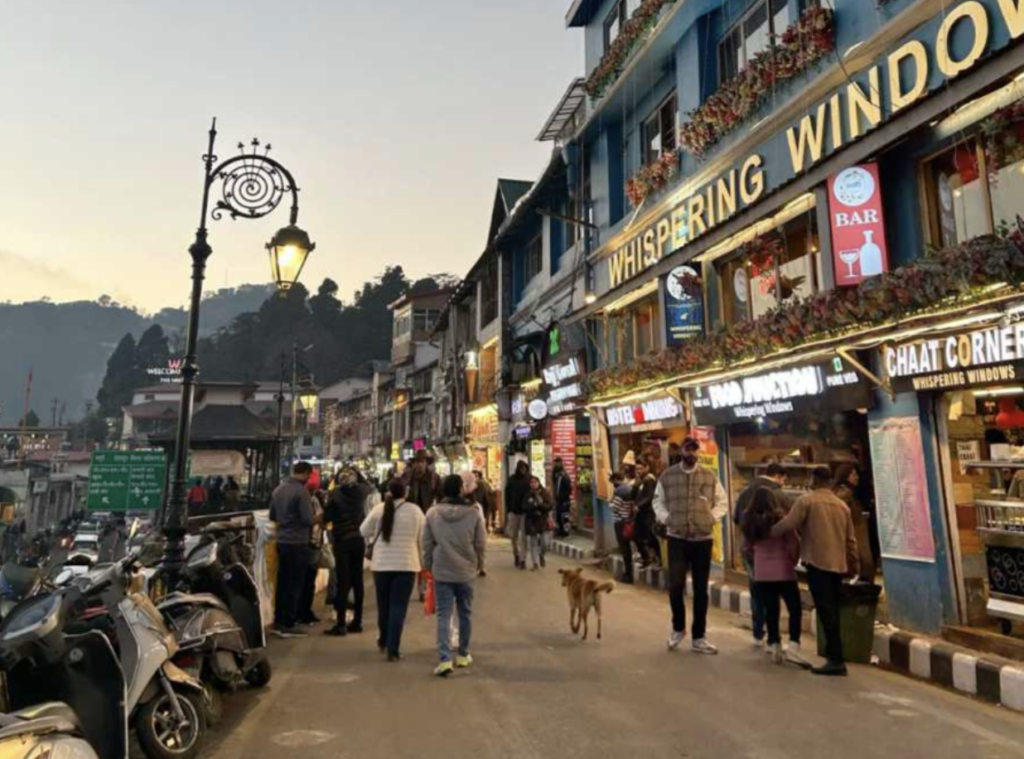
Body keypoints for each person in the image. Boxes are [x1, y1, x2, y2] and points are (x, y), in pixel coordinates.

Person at [772, 467, 860, 676]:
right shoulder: (842, 506)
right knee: (832, 611)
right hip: (838, 566)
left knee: (826, 611)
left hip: (818, 564)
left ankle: (836, 660)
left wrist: (768, 532)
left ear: (814, 480)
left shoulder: (807, 501)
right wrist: (854, 566)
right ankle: (833, 654)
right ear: (829, 482)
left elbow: (788, 524)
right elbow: (851, 541)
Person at [654, 436, 727, 655]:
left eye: (695, 450)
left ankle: (699, 636)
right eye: (688, 450)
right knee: (675, 586)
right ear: (682, 452)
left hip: (702, 540)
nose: (692, 454)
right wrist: (666, 518)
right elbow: (658, 501)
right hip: (677, 538)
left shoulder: (709, 475)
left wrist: (711, 518)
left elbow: (722, 502)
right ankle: (678, 628)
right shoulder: (667, 476)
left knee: (700, 590)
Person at [423, 474, 487, 677]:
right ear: (461, 489)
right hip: (466, 571)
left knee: (444, 615)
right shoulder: (474, 512)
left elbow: (426, 544)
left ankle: (444, 659)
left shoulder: (432, 513)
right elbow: (481, 543)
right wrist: (479, 564)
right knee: (465, 613)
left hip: (442, 570)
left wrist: (429, 566)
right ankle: (462, 654)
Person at [741, 488, 810, 668]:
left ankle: (775, 644)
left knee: (771, 610)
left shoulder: (749, 522)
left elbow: (746, 549)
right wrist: (792, 560)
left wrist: (757, 562)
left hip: (763, 574)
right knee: (794, 608)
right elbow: (794, 543)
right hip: (784, 571)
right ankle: (794, 643)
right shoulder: (781, 519)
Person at [361, 479, 425, 662]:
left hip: (381, 565)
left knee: (384, 606)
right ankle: (393, 649)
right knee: (398, 607)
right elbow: (423, 537)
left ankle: (383, 640)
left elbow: (362, 530)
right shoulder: (415, 511)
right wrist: (424, 561)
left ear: (388, 492)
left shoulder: (379, 509)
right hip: (406, 565)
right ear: (405, 492)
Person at [733, 463, 789, 649]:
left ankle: (758, 633)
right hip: (772, 551)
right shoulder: (778, 493)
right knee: (773, 594)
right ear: (780, 476)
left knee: (756, 591)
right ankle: (775, 637)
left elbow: (735, 519)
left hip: (750, 551)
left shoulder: (745, 491)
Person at [269, 462, 316, 638]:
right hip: (297, 542)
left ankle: (278, 620)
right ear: (305, 474)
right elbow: (307, 519)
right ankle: (289, 623)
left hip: (282, 541)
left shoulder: (278, 490)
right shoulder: (301, 492)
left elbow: (272, 516)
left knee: (282, 583)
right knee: (295, 584)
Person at [323, 468, 369, 636]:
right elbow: (366, 483)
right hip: (358, 539)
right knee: (358, 581)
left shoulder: (334, 493)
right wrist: (355, 469)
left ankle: (341, 623)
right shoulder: (362, 492)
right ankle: (358, 621)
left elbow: (327, 516)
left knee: (343, 580)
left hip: (342, 540)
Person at [833, 464, 876, 582]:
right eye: (853, 474)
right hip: (855, 534)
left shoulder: (849, 491)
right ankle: (865, 588)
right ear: (845, 476)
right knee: (864, 562)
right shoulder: (845, 492)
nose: (857, 477)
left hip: (857, 532)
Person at [632, 455, 661, 569]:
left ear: (647, 467)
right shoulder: (640, 481)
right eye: (637, 469)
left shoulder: (650, 480)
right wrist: (635, 485)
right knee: (636, 536)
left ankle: (658, 559)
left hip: (649, 513)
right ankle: (646, 558)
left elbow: (649, 497)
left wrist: (639, 506)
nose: (638, 471)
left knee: (651, 537)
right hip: (640, 514)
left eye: (640, 468)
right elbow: (632, 495)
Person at [610, 472, 637, 584]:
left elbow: (614, 507)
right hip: (628, 521)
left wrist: (610, 502)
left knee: (624, 549)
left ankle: (628, 575)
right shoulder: (630, 489)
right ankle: (628, 573)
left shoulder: (619, 491)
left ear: (617, 479)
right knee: (627, 549)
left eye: (613, 482)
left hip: (620, 522)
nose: (613, 485)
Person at [504, 460, 531, 569]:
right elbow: (507, 495)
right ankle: (516, 554)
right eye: (521, 468)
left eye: (525, 468)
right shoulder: (512, 479)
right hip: (514, 512)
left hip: (525, 513)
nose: (523, 470)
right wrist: (509, 510)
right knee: (514, 536)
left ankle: (523, 559)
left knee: (524, 537)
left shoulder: (529, 479)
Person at [523, 476, 553, 570]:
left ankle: (541, 555)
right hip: (532, 520)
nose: (533, 484)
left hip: (543, 520)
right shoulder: (527, 494)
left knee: (545, 542)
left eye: (535, 482)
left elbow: (549, 506)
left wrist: (540, 505)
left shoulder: (544, 493)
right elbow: (524, 506)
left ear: (539, 483)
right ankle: (535, 563)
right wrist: (532, 506)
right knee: (533, 542)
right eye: (531, 482)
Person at [552, 458, 573, 538]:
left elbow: (569, 489)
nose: (556, 465)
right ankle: (560, 531)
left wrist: (563, 497)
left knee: (565, 516)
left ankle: (566, 532)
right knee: (558, 516)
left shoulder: (564, 476)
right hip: (558, 501)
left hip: (564, 501)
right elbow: (555, 487)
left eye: (557, 463)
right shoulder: (557, 476)